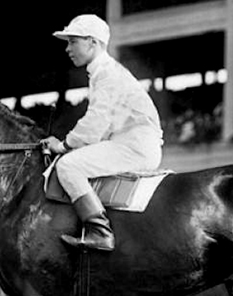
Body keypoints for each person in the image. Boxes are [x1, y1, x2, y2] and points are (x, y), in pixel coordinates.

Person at [42, 14, 164, 251]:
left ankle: (100, 232)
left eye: (73, 42)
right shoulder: (103, 72)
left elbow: (95, 123)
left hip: (134, 146)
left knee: (68, 166)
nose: (68, 49)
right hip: (130, 142)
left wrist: (64, 146)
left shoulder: (107, 73)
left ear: (93, 42)